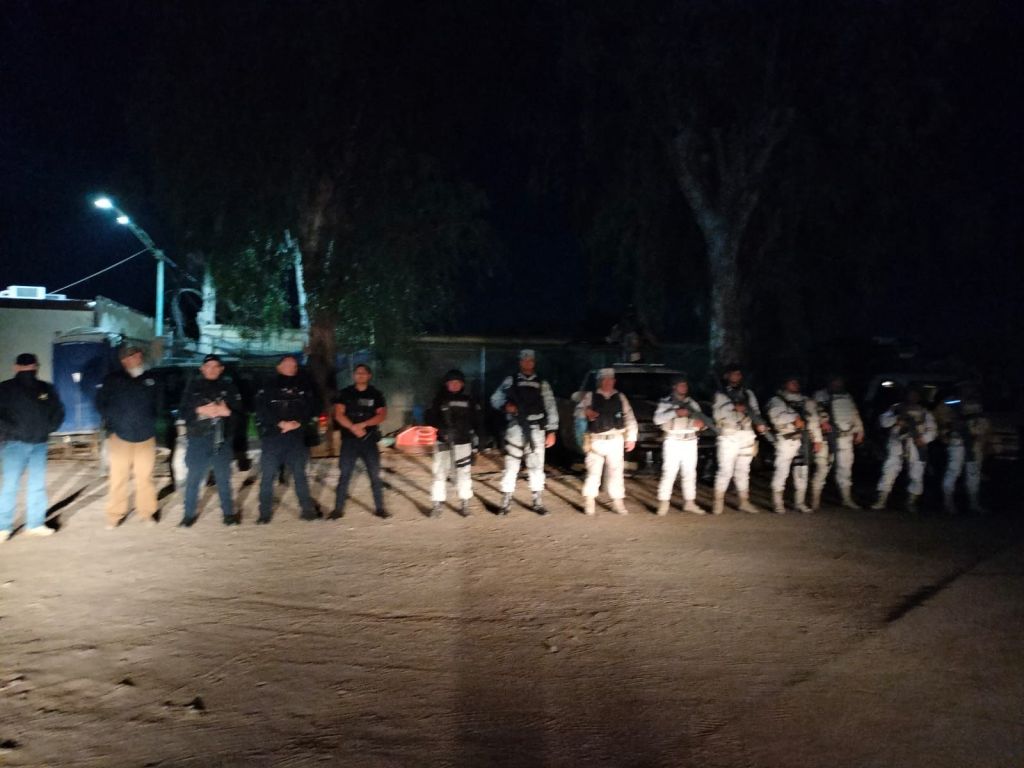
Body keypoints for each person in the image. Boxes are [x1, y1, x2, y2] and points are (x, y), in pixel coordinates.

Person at [0, 353, 65, 540]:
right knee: (19, 485)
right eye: (28, 366)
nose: (29, 369)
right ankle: (7, 526)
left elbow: (58, 412)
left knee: (21, 485)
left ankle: (27, 525)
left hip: (31, 443)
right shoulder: (7, 388)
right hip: (19, 443)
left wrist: (47, 428)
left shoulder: (43, 388)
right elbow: (58, 412)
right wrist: (12, 430)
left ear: (15, 367)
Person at [95, 345, 159, 528]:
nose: (138, 357)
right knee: (118, 478)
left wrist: (151, 422)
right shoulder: (113, 379)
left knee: (145, 477)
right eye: (132, 355)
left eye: (139, 354)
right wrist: (114, 423)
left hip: (146, 436)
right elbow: (100, 403)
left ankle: (146, 513)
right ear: (124, 360)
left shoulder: (151, 379)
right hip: (120, 437)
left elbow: (159, 403)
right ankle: (114, 515)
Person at [490, 349, 558, 515]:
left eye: (530, 360)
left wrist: (552, 430)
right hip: (515, 427)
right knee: (511, 465)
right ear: (520, 362)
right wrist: (506, 406)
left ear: (534, 363)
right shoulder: (511, 380)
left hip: (536, 429)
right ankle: (506, 502)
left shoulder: (542, 382)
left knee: (536, 466)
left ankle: (537, 502)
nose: (527, 363)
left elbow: (550, 406)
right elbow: (495, 398)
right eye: (524, 360)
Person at [178, 354, 243, 526]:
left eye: (216, 366)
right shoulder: (192, 386)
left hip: (222, 439)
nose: (212, 369)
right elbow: (182, 412)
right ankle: (188, 515)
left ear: (221, 369)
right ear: (202, 368)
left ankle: (228, 514)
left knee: (223, 478)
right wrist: (199, 410)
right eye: (208, 366)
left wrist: (227, 412)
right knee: (194, 478)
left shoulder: (229, 387)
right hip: (198, 440)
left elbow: (239, 416)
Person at [254, 354, 319, 524]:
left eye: (294, 365)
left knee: (300, 475)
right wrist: (280, 423)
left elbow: (311, 408)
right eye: (288, 364)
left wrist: (298, 423)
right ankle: (264, 513)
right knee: (268, 476)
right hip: (273, 438)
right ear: (279, 367)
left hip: (296, 438)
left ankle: (307, 510)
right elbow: (261, 410)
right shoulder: (267, 385)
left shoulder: (304, 386)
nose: (292, 367)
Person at [575, 368, 638, 515]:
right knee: (593, 472)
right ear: (600, 381)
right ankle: (589, 501)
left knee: (616, 473)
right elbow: (577, 412)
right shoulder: (590, 396)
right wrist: (586, 412)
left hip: (615, 439)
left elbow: (629, 417)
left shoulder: (620, 397)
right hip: (596, 440)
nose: (608, 382)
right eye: (605, 379)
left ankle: (617, 502)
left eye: (611, 379)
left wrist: (631, 438)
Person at [331, 363, 389, 519]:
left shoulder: (375, 394)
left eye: (364, 373)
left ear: (369, 376)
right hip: (349, 440)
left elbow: (382, 415)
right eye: (358, 372)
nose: (360, 375)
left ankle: (380, 509)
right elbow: (338, 414)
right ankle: (337, 510)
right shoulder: (345, 393)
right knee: (345, 475)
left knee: (375, 475)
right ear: (353, 375)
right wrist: (353, 427)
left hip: (369, 440)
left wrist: (363, 424)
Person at [425, 369, 484, 517]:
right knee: (439, 473)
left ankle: (465, 504)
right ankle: (437, 505)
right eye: (451, 382)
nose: (454, 385)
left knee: (464, 473)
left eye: (457, 382)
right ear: (446, 384)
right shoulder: (439, 400)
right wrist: (443, 430)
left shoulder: (469, 400)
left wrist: (478, 444)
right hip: (443, 442)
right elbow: (429, 418)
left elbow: (477, 421)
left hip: (463, 442)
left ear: (462, 384)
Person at [711, 364, 767, 515]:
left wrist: (758, 423)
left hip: (746, 434)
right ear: (727, 376)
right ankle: (718, 502)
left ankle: (744, 502)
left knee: (743, 470)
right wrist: (733, 408)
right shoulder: (720, 394)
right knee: (725, 470)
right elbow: (717, 415)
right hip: (729, 435)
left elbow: (755, 411)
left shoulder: (748, 394)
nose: (737, 376)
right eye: (734, 373)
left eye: (739, 374)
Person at [653, 374, 711, 515]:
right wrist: (675, 412)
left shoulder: (692, 403)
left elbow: (702, 421)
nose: (684, 387)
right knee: (669, 472)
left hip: (690, 440)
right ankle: (663, 503)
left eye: (685, 385)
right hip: (673, 440)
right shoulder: (666, 402)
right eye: (681, 385)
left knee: (690, 473)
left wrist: (701, 425)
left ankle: (689, 502)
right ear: (674, 387)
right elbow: (657, 419)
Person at [872, 387, 936, 512]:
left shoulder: (924, 411)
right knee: (889, 470)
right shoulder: (896, 408)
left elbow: (932, 429)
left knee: (916, 474)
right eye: (910, 394)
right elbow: (884, 421)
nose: (912, 397)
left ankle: (911, 502)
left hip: (916, 444)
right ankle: (881, 500)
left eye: (915, 395)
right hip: (896, 443)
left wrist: (924, 439)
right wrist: (896, 420)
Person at [767, 375, 823, 514]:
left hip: (803, 441)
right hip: (787, 440)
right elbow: (775, 417)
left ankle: (800, 503)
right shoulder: (777, 400)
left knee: (802, 472)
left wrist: (817, 439)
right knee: (782, 471)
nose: (795, 385)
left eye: (797, 382)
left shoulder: (806, 401)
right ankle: (777, 503)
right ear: (785, 384)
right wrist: (794, 418)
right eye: (792, 382)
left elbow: (814, 421)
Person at [934, 384, 990, 515]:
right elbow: (938, 417)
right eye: (966, 386)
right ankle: (948, 503)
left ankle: (974, 503)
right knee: (953, 471)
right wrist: (946, 431)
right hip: (958, 440)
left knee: (974, 473)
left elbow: (984, 422)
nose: (969, 389)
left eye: (971, 386)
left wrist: (985, 439)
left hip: (975, 442)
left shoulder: (978, 401)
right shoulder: (952, 401)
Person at [812, 375, 865, 510]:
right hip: (828, 438)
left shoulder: (847, 396)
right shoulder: (820, 395)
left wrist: (860, 430)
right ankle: (815, 501)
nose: (837, 385)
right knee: (822, 468)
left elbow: (854, 414)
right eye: (835, 382)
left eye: (840, 383)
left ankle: (846, 499)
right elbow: (816, 411)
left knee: (845, 470)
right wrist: (823, 422)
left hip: (845, 438)